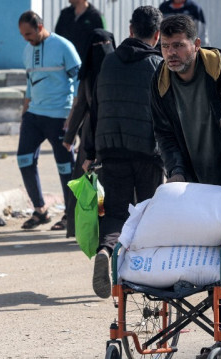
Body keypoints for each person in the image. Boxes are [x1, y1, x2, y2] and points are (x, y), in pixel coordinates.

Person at [80, 5, 164, 299]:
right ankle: (146, 274)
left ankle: (106, 250)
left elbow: (96, 107)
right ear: (157, 34)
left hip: (110, 149)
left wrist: (90, 151)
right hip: (147, 152)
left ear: (130, 30)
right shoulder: (158, 65)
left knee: (116, 211)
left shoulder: (110, 62)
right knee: (149, 211)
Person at [151, 14, 221, 189]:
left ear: (197, 44)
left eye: (178, 45)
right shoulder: (160, 80)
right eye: (165, 46)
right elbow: (164, 133)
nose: (170, 53)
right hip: (192, 182)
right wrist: (176, 171)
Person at [17, 11, 80, 230]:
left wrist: (73, 115)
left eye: (29, 34)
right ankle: (40, 210)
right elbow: (29, 83)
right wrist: (24, 114)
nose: (26, 38)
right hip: (34, 115)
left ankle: (69, 214)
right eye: (23, 35)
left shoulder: (63, 46)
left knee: (65, 166)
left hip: (59, 116)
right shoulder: (27, 49)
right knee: (23, 159)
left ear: (40, 26)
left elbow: (79, 81)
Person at [55, 0, 107, 234]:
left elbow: (81, 106)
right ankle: (81, 224)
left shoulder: (95, 16)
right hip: (103, 136)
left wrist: (70, 135)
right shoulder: (113, 70)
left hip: (94, 136)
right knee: (89, 181)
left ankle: (82, 226)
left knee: (89, 180)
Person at [62, 28, 115, 238]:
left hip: (113, 134)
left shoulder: (118, 71)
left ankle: (110, 229)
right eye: (97, 46)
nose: (102, 50)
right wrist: (69, 137)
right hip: (91, 136)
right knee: (85, 185)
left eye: (105, 44)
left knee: (111, 186)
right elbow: (81, 106)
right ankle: (81, 228)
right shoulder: (89, 75)